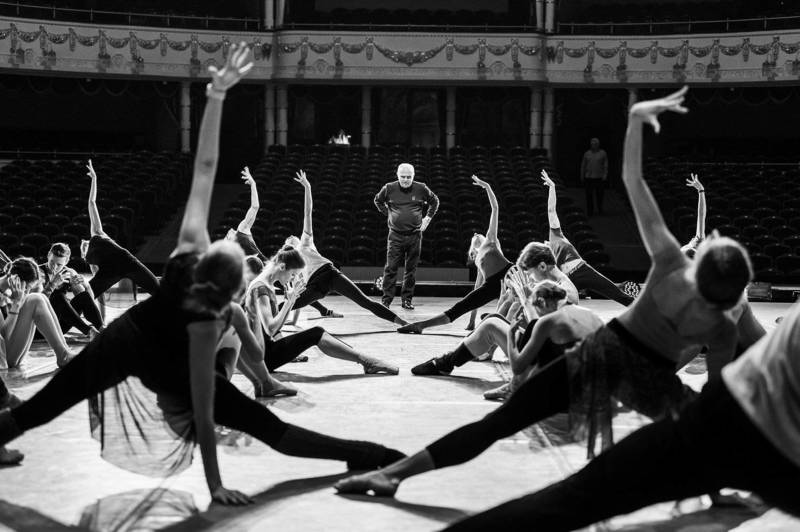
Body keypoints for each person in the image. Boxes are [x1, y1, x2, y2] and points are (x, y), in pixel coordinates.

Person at [0, 44, 403, 504]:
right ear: (232, 287)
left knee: (47, 404)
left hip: (129, 339)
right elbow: (205, 409)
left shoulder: (190, 250)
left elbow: (205, 168)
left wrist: (216, 94)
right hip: (152, 352)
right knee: (269, 429)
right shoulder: (214, 316)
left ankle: (367, 453)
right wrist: (215, 486)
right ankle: (372, 454)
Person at [332, 87, 766, 498]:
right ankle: (720, 484)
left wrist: (635, 120)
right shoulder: (724, 320)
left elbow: (633, 180)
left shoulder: (672, 262)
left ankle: (392, 474)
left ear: (703, 260)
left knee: (496, 426)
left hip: (602, 353)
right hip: (640, 375)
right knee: (692, 432)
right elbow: (714, 396)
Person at [437, 300, 800, 531]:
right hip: (743, 434)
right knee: (573, 497)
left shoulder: (725, 314)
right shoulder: (727, 314)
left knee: (572, 498)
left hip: (735, 429)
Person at [413, 280, 603, 398]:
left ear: (543, 303)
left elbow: (519, 365)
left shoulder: (549, 321)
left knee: (491, 325)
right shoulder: (587, 314)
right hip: (586, 383)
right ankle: (447, 361)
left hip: (559, 387)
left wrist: (512, 336)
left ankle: (446, 363)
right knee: (494, 319)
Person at [245, 245, 399, 376]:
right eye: (293, 275)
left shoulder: (266, 284)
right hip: (262, 358)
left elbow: (270, 330)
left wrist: (290, 302)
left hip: (264, 352)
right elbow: (271, 329)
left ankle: (366, 360)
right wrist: (289, 303)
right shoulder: (261, 288)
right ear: (282, 267)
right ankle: (368, 361)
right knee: (316, 333)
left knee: (317, 333)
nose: (292, 279)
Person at [283, 170, 407, 325]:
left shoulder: (305, 243)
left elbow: (307, 213)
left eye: (291, 238)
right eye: (287, 241)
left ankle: (403, 322)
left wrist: (307, 187)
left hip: (329, 274)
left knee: (365, 302)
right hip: (315, 286)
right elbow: (295, 301)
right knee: (286, 304)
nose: (290, 237)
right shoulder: (294, 269)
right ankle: (262, 322)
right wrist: (291, 321)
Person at [398, 175, 510, 333]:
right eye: (474, 237)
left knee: (515, 300)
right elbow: (476, 291)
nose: (476, 234)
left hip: (508, 274)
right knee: (459, 308)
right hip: (492, 284)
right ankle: (420, 325)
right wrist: (471, 321)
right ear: (472, 253)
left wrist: (487, 187)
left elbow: (495, 209)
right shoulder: (478, 261)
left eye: (478, 234)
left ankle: (499, 321)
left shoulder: (491, 240)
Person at [224, 166, 336, 319]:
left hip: (266, 267)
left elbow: (255, 206)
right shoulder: (230, 254)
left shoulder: (241, 230)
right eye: (226, 234)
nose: (229, 231)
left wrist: (253, 184)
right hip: (254, 275)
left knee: (295, 290)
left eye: (229, 231)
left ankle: (320, 310)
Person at [542, 169, 638, 305]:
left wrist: (552, 188)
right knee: (557, 305)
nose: (544, 244)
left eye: (544, 243)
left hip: (583, 270)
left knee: (615, 292)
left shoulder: (555, 235)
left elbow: (551, 210)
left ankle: (642, 312)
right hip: (569, 281)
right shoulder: (549, 263)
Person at [81, 159, 160, 300]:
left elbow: (92, 203)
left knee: (159, 290)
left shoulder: (97, 233)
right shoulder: (92, 259)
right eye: (85, 247)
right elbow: (95, 284)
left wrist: (94, 179)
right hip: (111, 271)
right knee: (85, 297)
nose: (85, 244)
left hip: (128, 263)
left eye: (86, 244)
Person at [374, 163, 439, 310]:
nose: (405, 180)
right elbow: (377, 200)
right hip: (395, 235)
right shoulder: (389, 188)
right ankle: (386, 301)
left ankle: (407, 300)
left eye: (409, 177)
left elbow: (435, 201)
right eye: (402, 176)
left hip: (414, 236)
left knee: (411, 270)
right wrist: (389, 214)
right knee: (391, 268)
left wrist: (427, 219)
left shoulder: (421, 188)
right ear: (397, 175)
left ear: (413, 176)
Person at [39, 243, 103, 338]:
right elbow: (37, 304)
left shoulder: (69, 273)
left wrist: (87, 285)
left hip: (59, 326)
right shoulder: (38, 272)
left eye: (59, 264)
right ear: (48, 255)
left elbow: (86, 303)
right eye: (52, 262)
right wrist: (53, 284)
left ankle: (102, 329)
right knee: (59, 297)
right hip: (41, 326)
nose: (54, 267)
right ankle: (89, 331)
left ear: (66, 262)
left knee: (83, 295)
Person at [681, 172, 706, 258]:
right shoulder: (698, 246)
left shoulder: (697, 245)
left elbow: (701, 215)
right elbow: (701, 215)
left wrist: (701, 190)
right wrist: (701, 191)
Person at [581, 137, 608, 216]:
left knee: (600, 195)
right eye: (592, 144)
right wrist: (582, 175)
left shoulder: (603, 153)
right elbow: (583, 165)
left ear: (598, 145)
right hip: (589, 177)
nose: (594, 146)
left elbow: (605, 165)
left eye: (595, 144)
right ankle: (590, 211)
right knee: (589, 195)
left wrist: (605, 175)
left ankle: (600, 209)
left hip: (599, 177)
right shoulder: (587, 154)